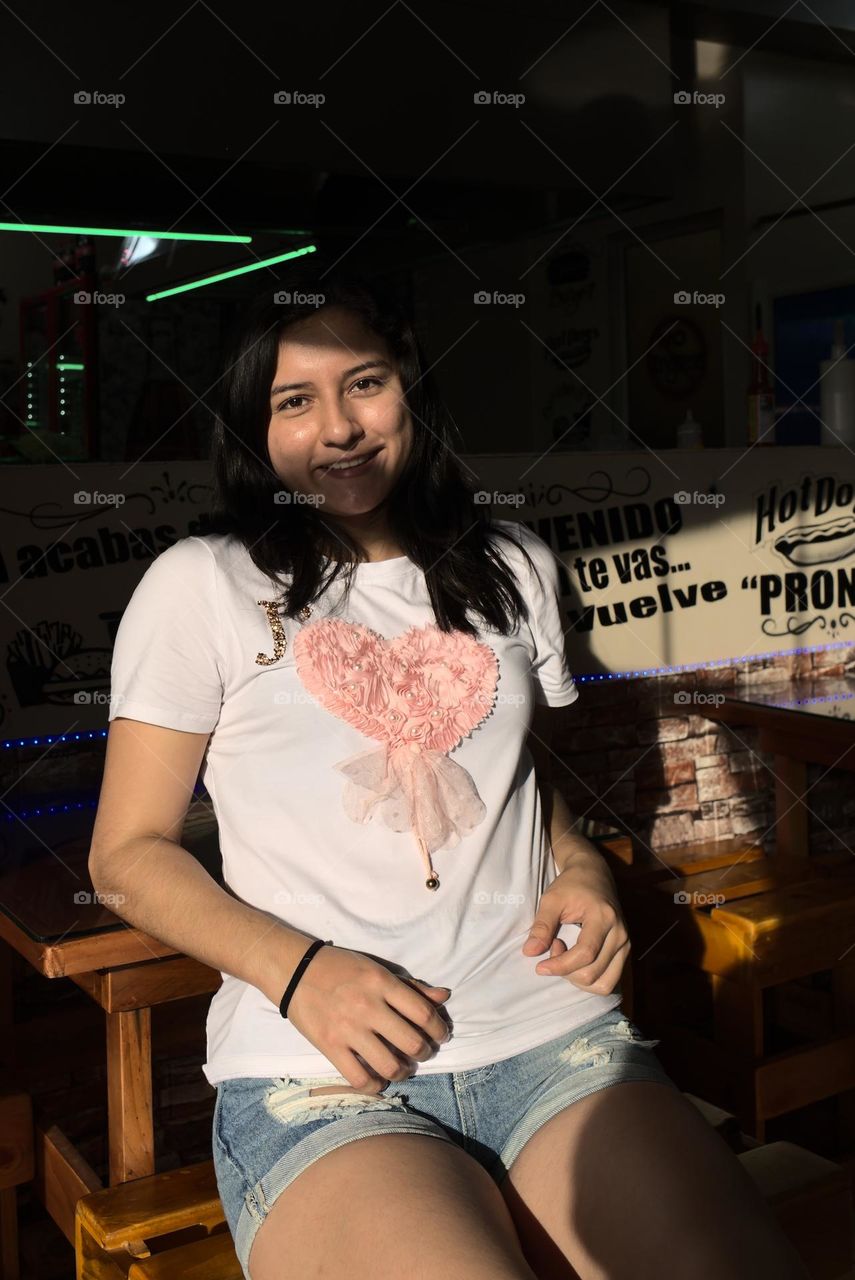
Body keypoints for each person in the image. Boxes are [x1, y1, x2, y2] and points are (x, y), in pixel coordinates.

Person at [90, 272, 809, 1280]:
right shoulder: (204, 583)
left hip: (554, 1039)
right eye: (296, 401)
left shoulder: (508, 563)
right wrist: (301, 973)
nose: (340, 428)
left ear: (410, 387)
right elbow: (124, 856)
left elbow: (510, 768)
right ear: (257, 428)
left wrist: (581, 865)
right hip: (324, 1082)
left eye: (365, 384)